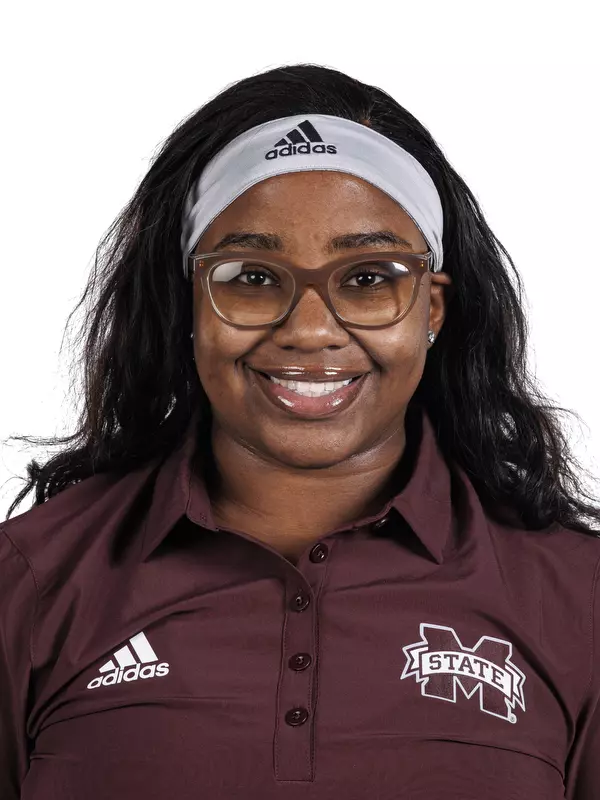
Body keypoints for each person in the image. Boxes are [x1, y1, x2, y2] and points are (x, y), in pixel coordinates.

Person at [1, 63, 599, 800]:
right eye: (251, 277)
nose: (310, 330)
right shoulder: (29, 585)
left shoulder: (578, 599)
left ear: (433, 307)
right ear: (188, 301)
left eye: (369, 277)